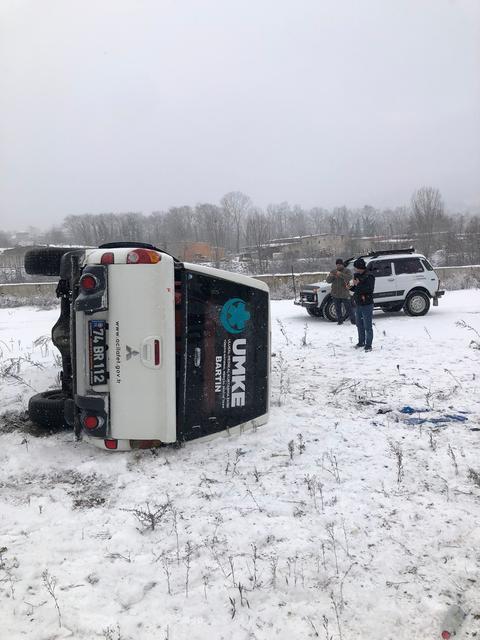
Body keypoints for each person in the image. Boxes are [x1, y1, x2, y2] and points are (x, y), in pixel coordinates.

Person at [350, 258, 375, 351]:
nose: (355, 270)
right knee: (359, 324)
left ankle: (368, 345)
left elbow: (369, 289)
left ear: (360, 267)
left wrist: (358, 285)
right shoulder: (356, 275)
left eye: (356, 268)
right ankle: (361, 342)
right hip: (358, 303)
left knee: (367, 326)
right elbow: (356, 289)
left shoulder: (370, 276)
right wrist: (350, 287)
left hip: (367, 304)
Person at [326, 258, 355, 325]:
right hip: (335, 293)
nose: (338, 266)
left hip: (344, 293)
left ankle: (353, 321)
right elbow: (328, 281)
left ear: (342, 265)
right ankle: (340, 321)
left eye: (339, 265)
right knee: (337, 309)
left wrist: (340, 274)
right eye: (337, 265)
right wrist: (331, 276)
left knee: (349, 308)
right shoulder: (333, 271)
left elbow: (349, 278)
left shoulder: (347, 271)